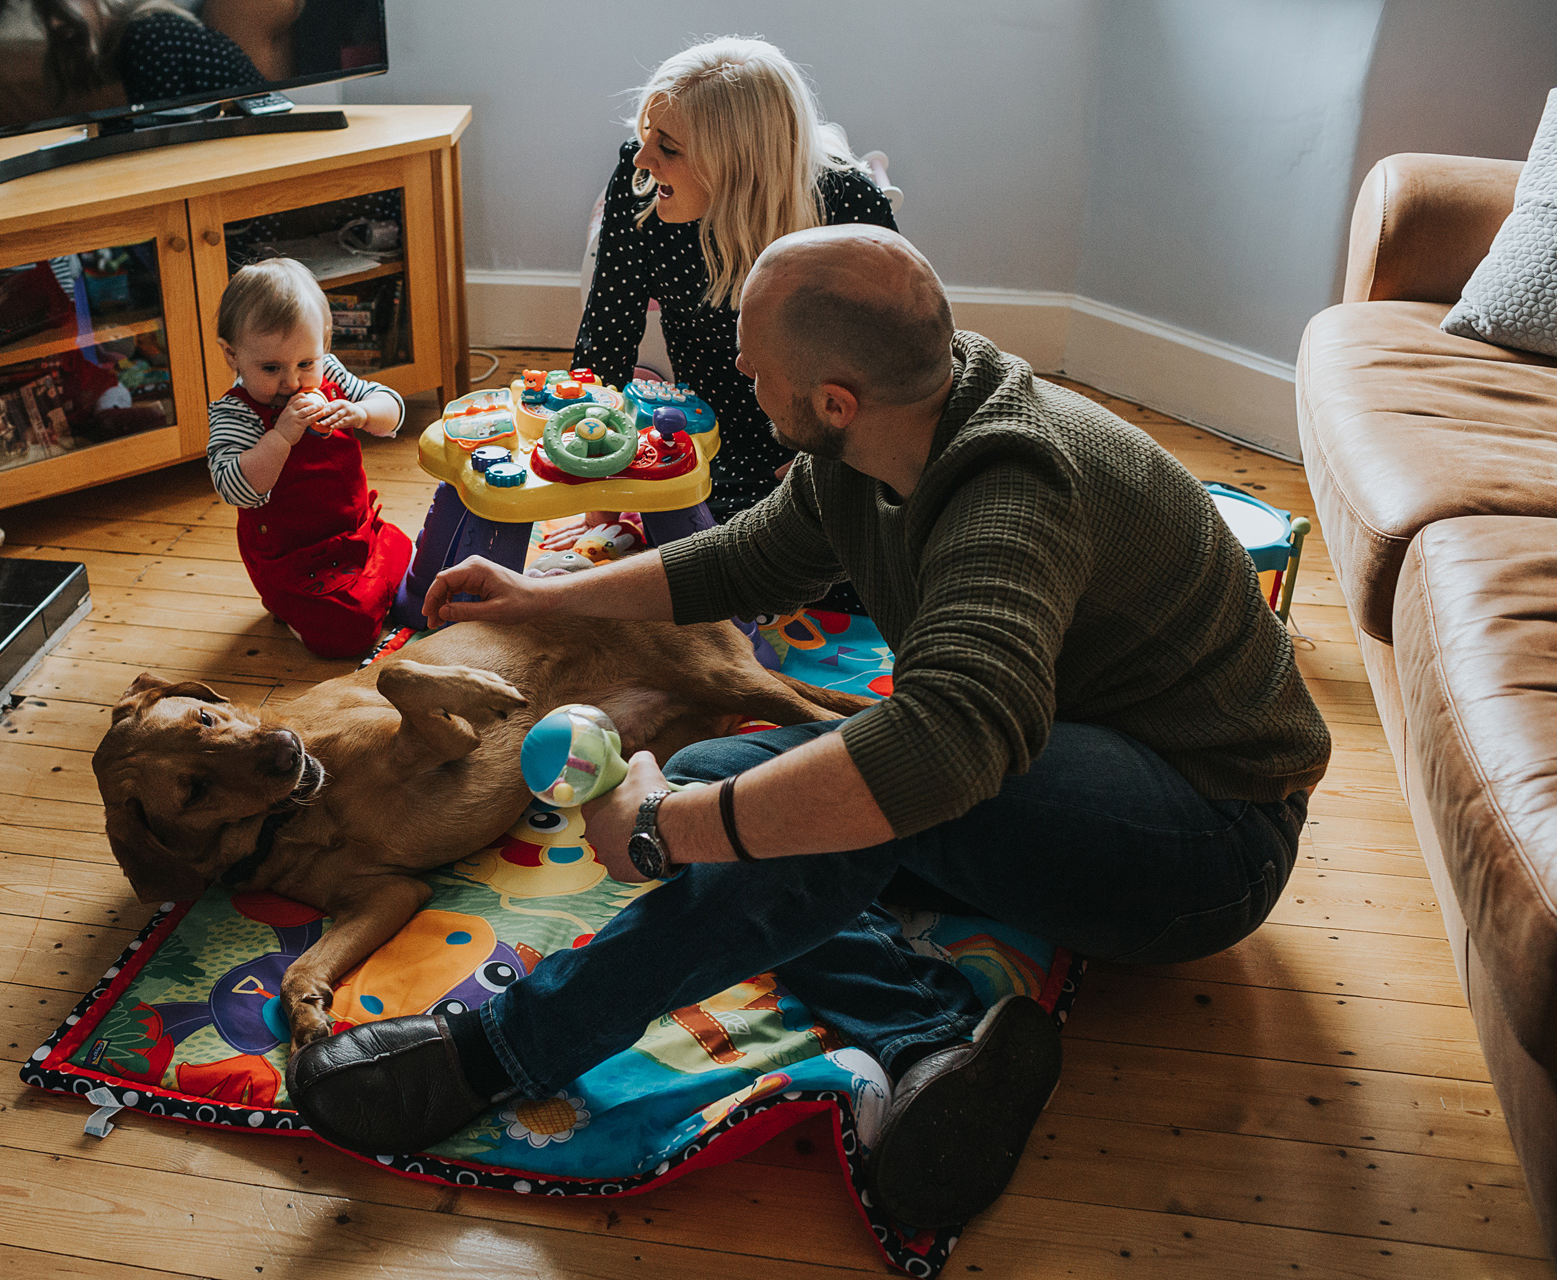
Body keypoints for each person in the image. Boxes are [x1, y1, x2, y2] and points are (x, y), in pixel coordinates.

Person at [287, 225, 1332, 1228]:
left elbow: (944, 743)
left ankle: (506, 1048)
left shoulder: (1008, 487)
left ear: (833, 397)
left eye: (754, 372)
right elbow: (744, 559)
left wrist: (667, 830)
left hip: (1210, 831)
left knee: (827, 795)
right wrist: (538, 597)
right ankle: (932, 1042)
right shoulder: (891, 421)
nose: (741, 382)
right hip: (1063, 758)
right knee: (729, 770)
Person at [545, 37, 896, 612]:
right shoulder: (641, 189)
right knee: (693, 566)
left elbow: (898, 359)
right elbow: (606, 339)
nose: (642, 158)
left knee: (860, 575)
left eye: (669, 147)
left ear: (738, 162)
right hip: (713, 437)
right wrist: (600, 494)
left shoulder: (846, 204)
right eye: (646, 136)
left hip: (831, 444)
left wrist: (835, 460)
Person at [206, 258, 411, 658]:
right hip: (292, 559)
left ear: (325, 344)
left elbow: (393, 408)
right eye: (271, 368)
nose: (293, 381)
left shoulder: (329, 373)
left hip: (355, 532)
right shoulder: (237, 413)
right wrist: (281, 435)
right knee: (349, 632)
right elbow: (236, 488)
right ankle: (305, 612)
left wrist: (364, 413)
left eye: (305, 363)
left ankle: (358, 593)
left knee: (407, 555)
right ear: (232, 355)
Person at [34, 0, 263, 106]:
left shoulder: (144, 33)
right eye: (47, 13)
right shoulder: (139, 32)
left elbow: (166, 130)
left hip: (256, 141)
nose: (54, 23)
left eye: (60, 7)